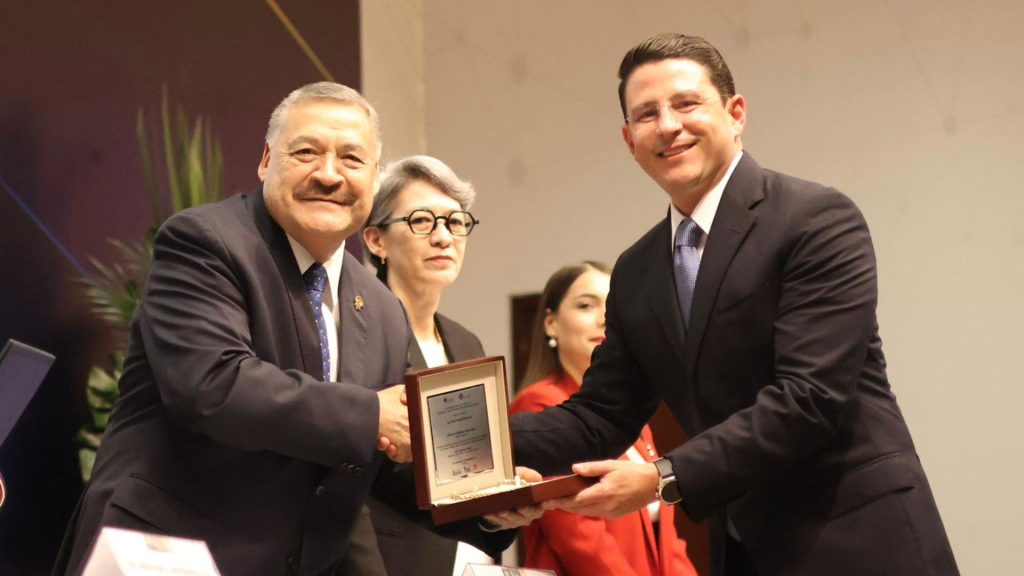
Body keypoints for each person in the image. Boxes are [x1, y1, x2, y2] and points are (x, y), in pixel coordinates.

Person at [510, 34, 959, 576]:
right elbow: (601, 413)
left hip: (858, 541)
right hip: (745, 552)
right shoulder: (638, 269)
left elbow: (809, 398)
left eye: (686, 103)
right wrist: (464, 445)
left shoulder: (815, 219)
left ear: (736, 112)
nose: (669, 125)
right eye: (647, 114)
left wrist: (662, 476)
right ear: (629, 140)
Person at [53, 82, 530, 576]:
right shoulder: (205, 242)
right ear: (265, 160)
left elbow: (382, 465)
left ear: (372, 177)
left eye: (351, 159)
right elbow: (212, 384)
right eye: (306, 152)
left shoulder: (383, 309)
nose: (328, 174)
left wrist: (484, 503)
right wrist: (371, 415)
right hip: (167, 553)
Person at [337, 155, 492, 575]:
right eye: (422, 221)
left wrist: (498, 512)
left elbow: (470, 477)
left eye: (456, 222)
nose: (444, 237)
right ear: (375, 241)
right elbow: (343, 482)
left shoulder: (466, 341)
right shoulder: (354, 333)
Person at [510, 261, 697, 576]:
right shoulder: (538, 405)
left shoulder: (626, 414)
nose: (603, 320)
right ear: (550, 324)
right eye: (586, 305)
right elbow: (580, 541)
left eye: (612, 307)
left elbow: (668, 537)